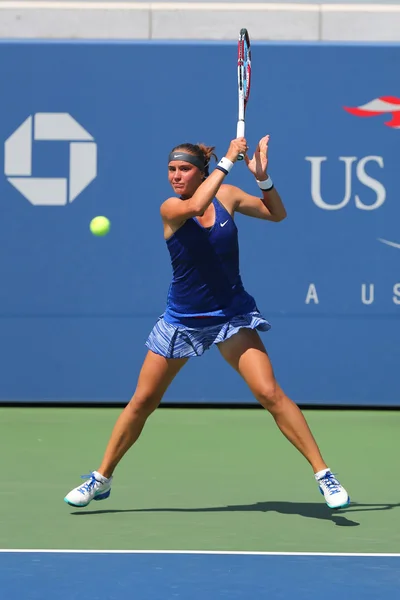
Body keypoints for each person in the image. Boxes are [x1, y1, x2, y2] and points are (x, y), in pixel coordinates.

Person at [64, 134, 350, 510]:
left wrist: (262, 177)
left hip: (231, 317)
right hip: (182, 320)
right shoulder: (171, 208)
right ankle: (101, 478)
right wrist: (229, 159)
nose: (176, 176)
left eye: (184, 169)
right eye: (171, 170)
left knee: (269, 393)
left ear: (200, 172)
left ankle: (323, 475)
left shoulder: (228, 196)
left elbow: (276, 213)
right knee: (142, 402)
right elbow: (198, 206)